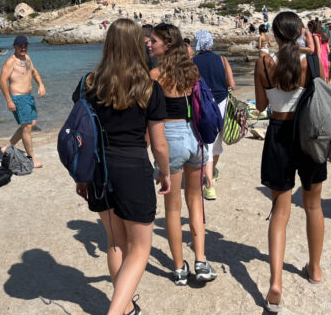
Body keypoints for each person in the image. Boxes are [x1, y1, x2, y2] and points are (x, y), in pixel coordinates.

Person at [73, 18, 170, 315]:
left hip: (99, 169)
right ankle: (117, 310)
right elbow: (159, 144)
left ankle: (125, 306)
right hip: (133, 168)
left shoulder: (89, 83)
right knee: (140, 248)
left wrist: (82, 175)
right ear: (136, 45)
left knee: (115, 243)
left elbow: (80, 133)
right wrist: (165, 172)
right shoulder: (148, 87)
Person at [255, 12, 325, 312]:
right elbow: (321, 88)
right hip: (308, 135)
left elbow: (260, 106)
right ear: (298, 32)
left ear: (274, 33)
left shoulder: (264, 61)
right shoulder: (308, 61)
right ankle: (315, 268)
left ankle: (276, 281)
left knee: (279, 212)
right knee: (313, 206)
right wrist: (312, 45)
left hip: (278, 134)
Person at [148, 23, 218, 286]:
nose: (149, 44)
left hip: (171, 136)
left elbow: (150, 117)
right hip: (195, 136)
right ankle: (200, 260)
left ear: (167, 44)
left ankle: (179, 268)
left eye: (153, 40)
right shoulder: (192, 71)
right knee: (195, 201)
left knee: (173, 208)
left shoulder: (155, 75)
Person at [192, 30, 235, 201]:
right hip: (222, 104)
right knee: (215, 145)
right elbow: (232, 83)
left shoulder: (192, 61)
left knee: (206, 144)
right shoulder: (222, 60)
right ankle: (210, 177)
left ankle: (209, 185)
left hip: (203, 104)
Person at [0, 35, 46, 168]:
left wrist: (41, 84)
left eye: (25, 45)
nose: (23, 48)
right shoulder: (11, 61)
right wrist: (9, 100)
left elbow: (34, 71)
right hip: (18, 98)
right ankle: (32, 158)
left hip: (29, 97)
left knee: (31, 123)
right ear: (15, 47)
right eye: (20, 46)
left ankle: (7, 147)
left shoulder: (27, 58)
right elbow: (2, 80)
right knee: (27, 127)